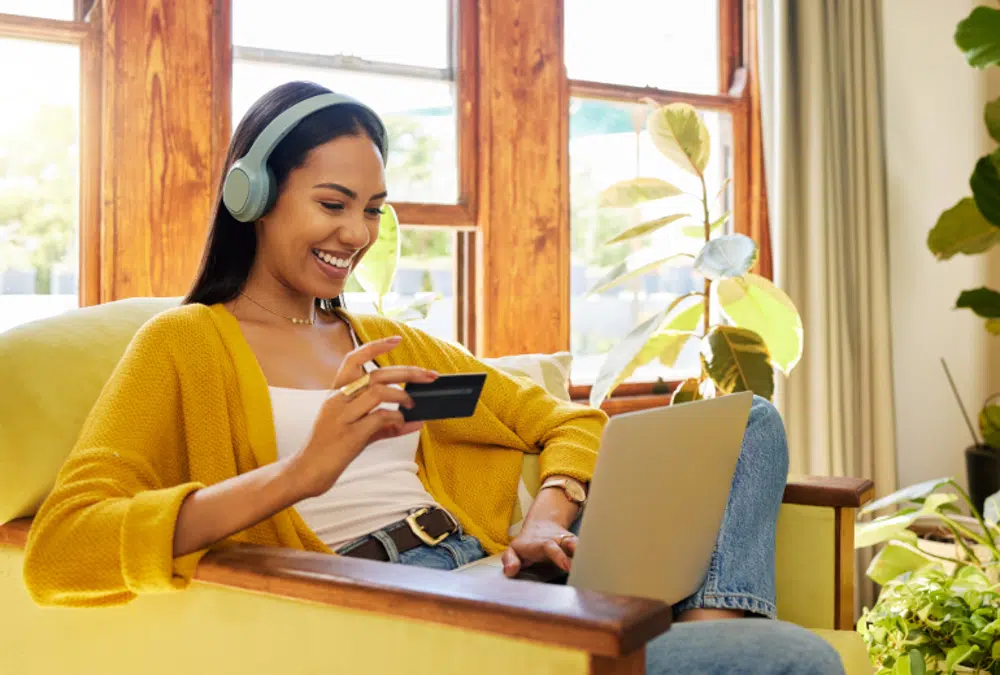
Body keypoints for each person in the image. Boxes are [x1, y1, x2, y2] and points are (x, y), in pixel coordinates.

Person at [23, 81, 843, 674]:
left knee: (749, 423)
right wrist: (303, 471)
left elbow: (566, 421)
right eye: (334, 203)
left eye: (374, 208)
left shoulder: (382, 339)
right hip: (409, 612)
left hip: (504, 576)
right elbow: (63, 549)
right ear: (255, 196)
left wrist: (546, 513)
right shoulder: (185, 343)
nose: (358, 232)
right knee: (791, 659)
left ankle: (706, 622)